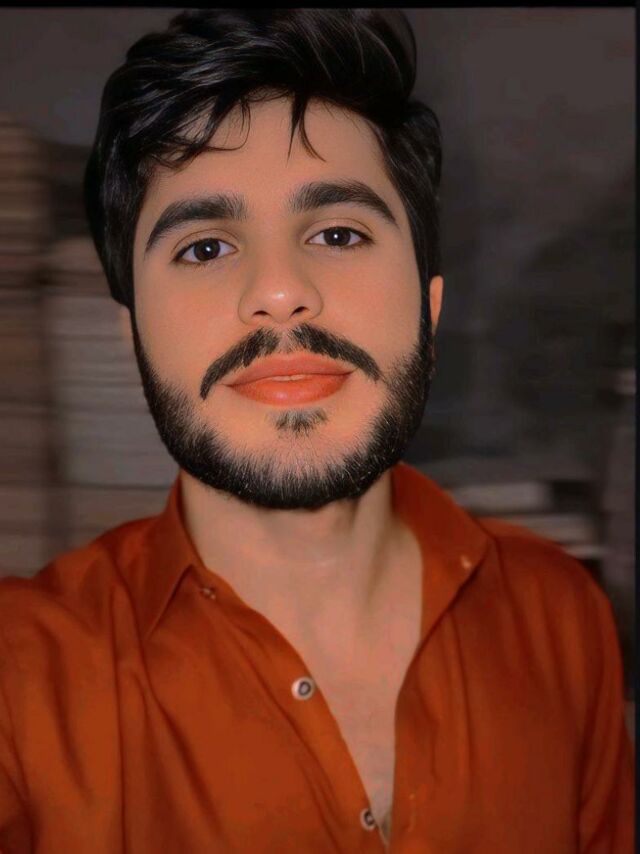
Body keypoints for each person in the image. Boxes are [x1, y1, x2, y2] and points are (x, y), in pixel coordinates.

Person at [0, 9, 633, 853]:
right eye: (204, 248)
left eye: (338, 233)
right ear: (133, 333)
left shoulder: (561, 618)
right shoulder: (20, 681)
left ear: (429, 309)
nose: (279, 291)